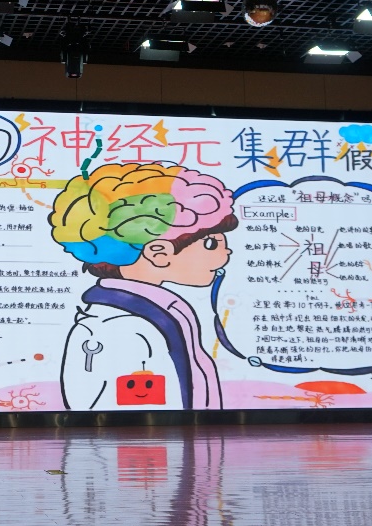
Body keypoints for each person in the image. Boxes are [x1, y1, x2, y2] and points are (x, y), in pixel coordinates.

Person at [49, 163, 237, 411]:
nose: (227, 252)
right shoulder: (124, 328)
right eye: (211, 243)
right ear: (158, 252)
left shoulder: (158, 311)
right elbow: (134, 420)